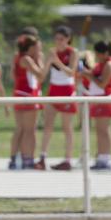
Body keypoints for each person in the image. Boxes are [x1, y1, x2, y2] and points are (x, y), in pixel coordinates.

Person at [37, 26, 78, 170]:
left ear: (68, 39)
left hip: (67, 91)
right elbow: (42, 76)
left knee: (67, 127)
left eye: (62, 39)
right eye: (56, 39)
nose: (58, 42)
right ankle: (42, 157)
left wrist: (57, 61)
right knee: (48, 126)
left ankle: (67, 159)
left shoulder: (72, 52)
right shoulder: (52, 52)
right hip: (53, 90)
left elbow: (71, 73)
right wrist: (48, 61)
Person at [80, 40, 111, 170]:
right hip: (97, 99)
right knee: (99, 130)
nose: (97, 57)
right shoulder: (101, 64)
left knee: (104, 130)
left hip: (105, 99)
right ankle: (101, 155)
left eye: (99, 54)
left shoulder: (110, 65)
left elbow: (103, 84)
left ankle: (105, 158)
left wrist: (88, 75)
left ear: (105, 53)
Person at [10, 34, 46, 169]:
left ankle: (14, 159)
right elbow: (41, 75)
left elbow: (14, 76)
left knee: (21, 129)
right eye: (37, 48)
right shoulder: (27, 59)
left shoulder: (19, 57)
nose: (39, 51)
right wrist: (43, 60)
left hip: (20, 94)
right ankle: (27, 159)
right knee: (30, 130)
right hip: (27, 95)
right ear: (30, 47)